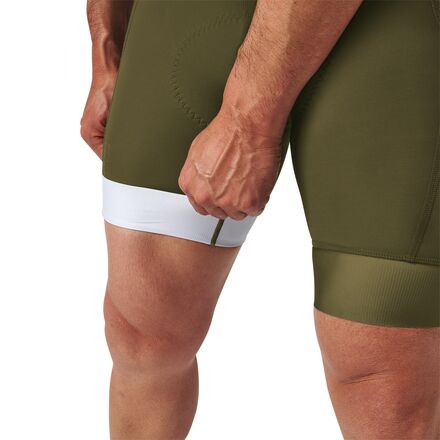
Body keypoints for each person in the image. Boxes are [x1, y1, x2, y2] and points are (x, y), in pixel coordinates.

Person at [80, 0, 440, 438]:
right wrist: (106, 41)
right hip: (184, 18)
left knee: (380, 374)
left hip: (394, 22)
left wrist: (247, 119)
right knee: (143, 335)